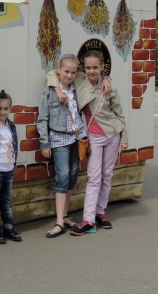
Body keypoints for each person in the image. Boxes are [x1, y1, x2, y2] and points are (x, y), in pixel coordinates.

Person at [62, 51, 128, 235]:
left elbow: (120, 115)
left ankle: (100, 212)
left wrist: (125, 139)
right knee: (94, 177)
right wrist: (58, 89)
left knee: (107, 175)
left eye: (96, 68)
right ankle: (88, 220)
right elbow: (55, 74)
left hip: (112, 134)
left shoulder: (109, 87)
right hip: (93, 136)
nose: (92, 71)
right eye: (88, 67)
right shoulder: (79, 80)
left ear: (102, 68)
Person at [37, 54, 87, 238]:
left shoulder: (77, 89)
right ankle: (59, 221)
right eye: (66, 71)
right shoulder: (49, 92)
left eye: (73, 72)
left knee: (73, 176)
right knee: (62, 176)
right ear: (59, 70)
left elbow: (94, 76)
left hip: (77, 137)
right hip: (59, 138)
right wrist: (45, 143)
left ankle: (65, 215)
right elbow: (42, 120)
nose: (70, 75)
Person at [0, 90, 22, 244]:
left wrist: (13, 163)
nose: (2, 111)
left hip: (9, 169)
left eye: (5, 109)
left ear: (10, 109)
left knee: (6, 201)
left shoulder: (11, 126)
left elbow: (14, 146)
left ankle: (8, 226)